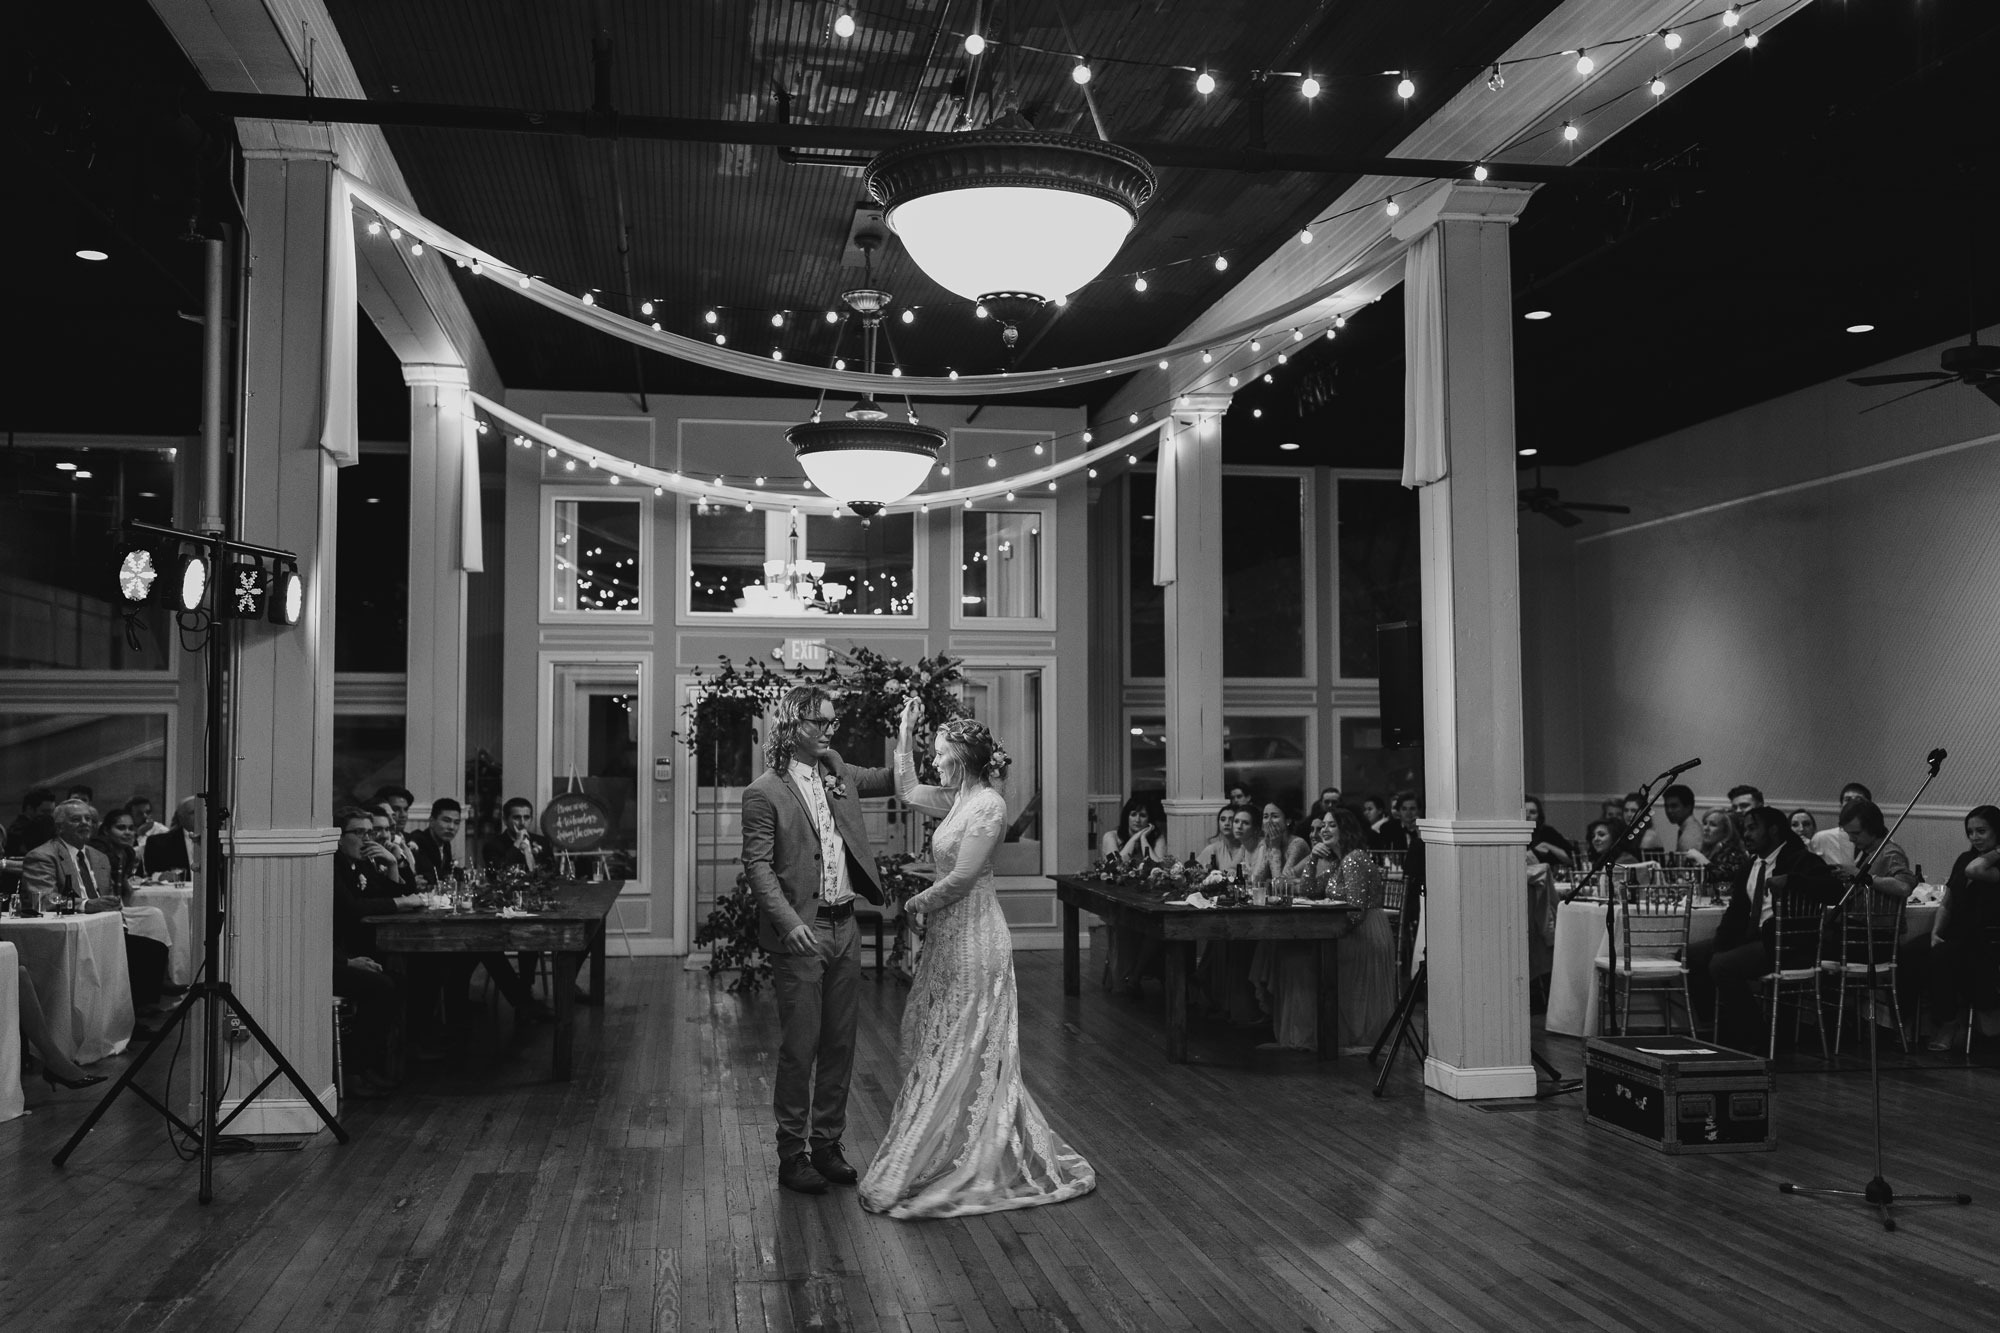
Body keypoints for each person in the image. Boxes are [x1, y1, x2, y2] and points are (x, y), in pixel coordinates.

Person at [858, 699, 1095, 1218]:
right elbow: (904, 789)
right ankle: (945, 1145)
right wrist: (903, 731)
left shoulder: (987, 805)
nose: (935, 762)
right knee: (946, 1039)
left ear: (962, 760)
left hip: (976, 940)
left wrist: (916, 903)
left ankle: (970, 1154)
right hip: (948, 936)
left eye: (941, 755)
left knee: (966, 1044)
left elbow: (964, 878)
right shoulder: (956, 799)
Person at [740, 685, 896, 1196]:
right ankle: (793, 1154)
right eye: (819, 723)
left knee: (840, 1044)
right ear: (791, 725)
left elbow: (893, 778)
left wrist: (912, 732)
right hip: (802, 934)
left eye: (832, 721)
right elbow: (758, 866)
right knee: (800, 1048)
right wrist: (788, 922)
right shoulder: (764, 791)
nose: (830, 730)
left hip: (845, 926)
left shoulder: (837, 772)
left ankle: (828, 1145)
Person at [1704, 806, 1840, 1050]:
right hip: (1754, 937)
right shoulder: (1751, 865)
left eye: (1753, 828)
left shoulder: (1799, 859)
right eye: (1745, 829)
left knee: (1721, 966)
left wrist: (1792, 881)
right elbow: (1736, 912)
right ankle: (1717, 1030)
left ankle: (1755, 1038)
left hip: (1787, 942)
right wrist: (1719, 944)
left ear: (1774, 830)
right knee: (1694, 956)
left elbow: (1833, 889)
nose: (1746, 834)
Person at [21, 800, 173, 1016]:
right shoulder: (43, 855)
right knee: (145, 952)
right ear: (59, 826)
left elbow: (105, 894)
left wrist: (110, 903)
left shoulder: (98, 856)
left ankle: (132, 1014)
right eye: (76, 819)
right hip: (69, 932)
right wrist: (85, 904)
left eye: (89, 819)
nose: (85, 823)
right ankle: (131, 1015)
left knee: (154, 947)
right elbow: (44, 900)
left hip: (103, 926)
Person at [331, 809, 403, 1098]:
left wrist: (393, 865)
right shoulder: (333, 864)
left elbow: (385, 895)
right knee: (381, 986)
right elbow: (351, 909)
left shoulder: (359, 864)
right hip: (325, 959)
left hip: (348, 949)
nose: (366, 839)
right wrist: (347, 961)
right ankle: (354, 1070)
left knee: (398, 977)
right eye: (358, 833)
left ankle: (377, 1063)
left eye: (369, 833)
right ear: (339, 837)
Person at [1916, 806, 2000, 1050]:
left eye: (1981, 831)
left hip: (1984, 939)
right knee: (1911, 954)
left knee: (1941, 957)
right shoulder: (1963, 858)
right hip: (1955, 933)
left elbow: (1975, 870)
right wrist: (1935, 932)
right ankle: (1904, 1027)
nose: (1974, 837)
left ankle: (1949, 1023)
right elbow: (1947, 903)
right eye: (1970, 831)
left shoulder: (1986, 865)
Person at [1832, 797, 1916, 901]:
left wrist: (1859, 875)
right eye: (1848, 833)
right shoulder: (1870, 853)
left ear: (1873, 828)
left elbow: (1904, 887)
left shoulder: (1889, 853)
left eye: (1856, 834)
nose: (1851, 839)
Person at [1808, 782, 1873, 871]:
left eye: (1859, 799)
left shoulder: (1879, 839)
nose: (1853, 803)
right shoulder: (1821, 838)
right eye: (1847, 799)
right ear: (1841, 806)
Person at [484, 797, 554, 873]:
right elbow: (498, 870)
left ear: (531, 819)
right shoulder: (492, 845)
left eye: (526, 817)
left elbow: (552, 871)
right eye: (517, 818)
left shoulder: (543, 842)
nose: (522, 823)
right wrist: (517, 843)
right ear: (505, 820)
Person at [1689, 808, 1751, 890]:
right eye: (1704, 823)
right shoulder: (1709, 849)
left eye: (1713, 825)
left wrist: (1701, 859)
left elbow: (1723, 878)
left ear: (1725, 831)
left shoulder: (1733, 852)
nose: (1706, 828)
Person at [1247, 804, 1310, 884]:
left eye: (1274, 817)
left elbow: (1281, 884)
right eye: (1266, 817)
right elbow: (1256, 881)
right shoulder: (1266, 842)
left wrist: (1275, 848)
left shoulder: (1297, 844)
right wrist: (1268, 847)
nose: (1269, 821)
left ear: (1288, 821)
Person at [143, 796, 204, 877]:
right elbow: (151, 875)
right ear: (181, 817)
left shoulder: (217, 841)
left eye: (202, 812)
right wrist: (160, 876)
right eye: (193, 812)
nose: (200, 816)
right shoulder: (158, 843)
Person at [407, 798, 464, 883]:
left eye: (456, 822)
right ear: (432, 821)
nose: (451, 827)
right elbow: (430, 874)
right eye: (446, 821)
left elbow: (447, 871)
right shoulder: (418, 840)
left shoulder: (446, 844)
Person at [1099, 794, 1167, 865]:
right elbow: (1117, 866)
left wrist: (1143, 838)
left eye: (1142, 815)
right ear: (1127, 817)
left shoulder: (1158, 838)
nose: (1137, 820)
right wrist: (1134, 838)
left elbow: (1158, 867)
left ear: (1149, 819)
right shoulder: (1110, 836)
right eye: (1133, 815)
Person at [91, 808, 144, 895]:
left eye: (131, 828)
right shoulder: (98, 850)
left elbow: (125, 884)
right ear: (106, 830)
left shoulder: (128, 852)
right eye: (121, 828)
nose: (128, 833)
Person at [1199, 807, 1259, 876]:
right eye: (1223, 819)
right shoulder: (1212, 849)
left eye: (1231, 819)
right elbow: (1195, 870)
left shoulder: (1247, 848)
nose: (1227, 823)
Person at [1525, 796, 1575, 869]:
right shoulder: (1514, 833)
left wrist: (1546, 846)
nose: (1527, 815)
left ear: (1539, 816)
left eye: (1532, 812)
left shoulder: (1547, 832)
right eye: (1524, 812)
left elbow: (1572, 859)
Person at [6, 788, 59, 858]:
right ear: (30, 809)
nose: (50, 816)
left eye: (52, 812)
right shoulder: (16, 833)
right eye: (45, 812)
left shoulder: (49, 827)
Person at [1659, 785, 1702, 855]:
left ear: (1688, 807)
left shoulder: (1689, 836)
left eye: (1674, 806)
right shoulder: (1690, 828)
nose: (1669, 811)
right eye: (1666, 806)